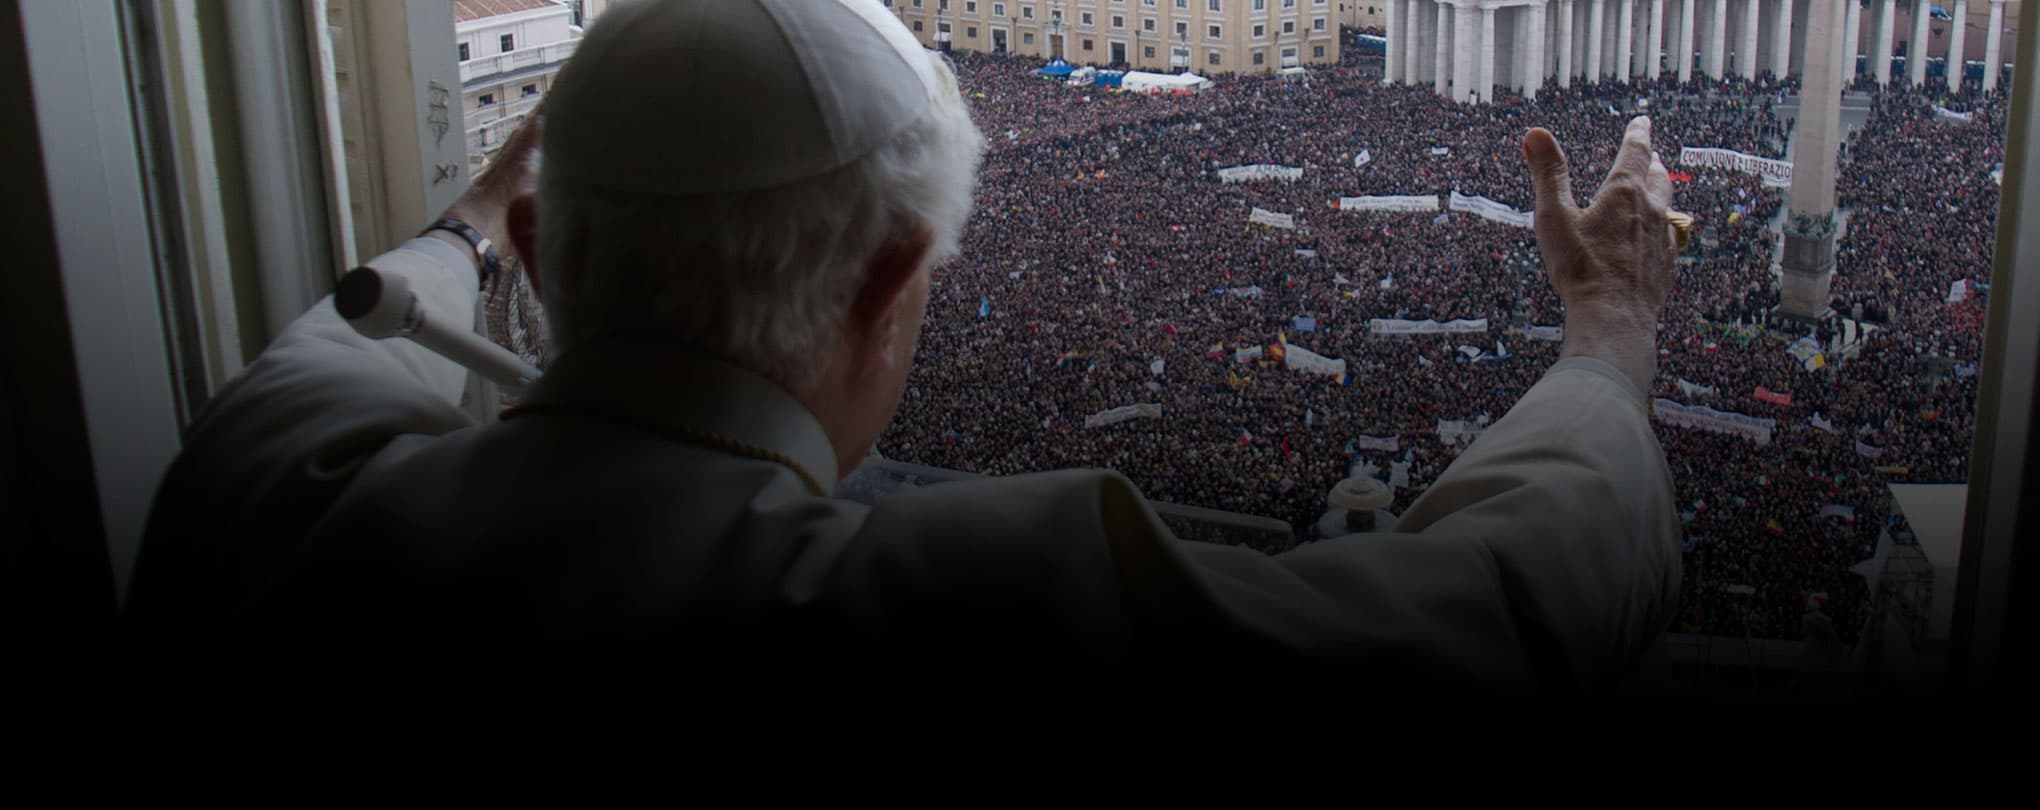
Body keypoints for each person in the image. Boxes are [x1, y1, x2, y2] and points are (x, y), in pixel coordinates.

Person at [127, 0, 1684, 718]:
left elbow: (335, 344)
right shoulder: (982, 612)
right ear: (889, 285)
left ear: (538, 259)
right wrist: (1609, 334)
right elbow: (1491, 619)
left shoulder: (266, 495)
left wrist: (468, 224)